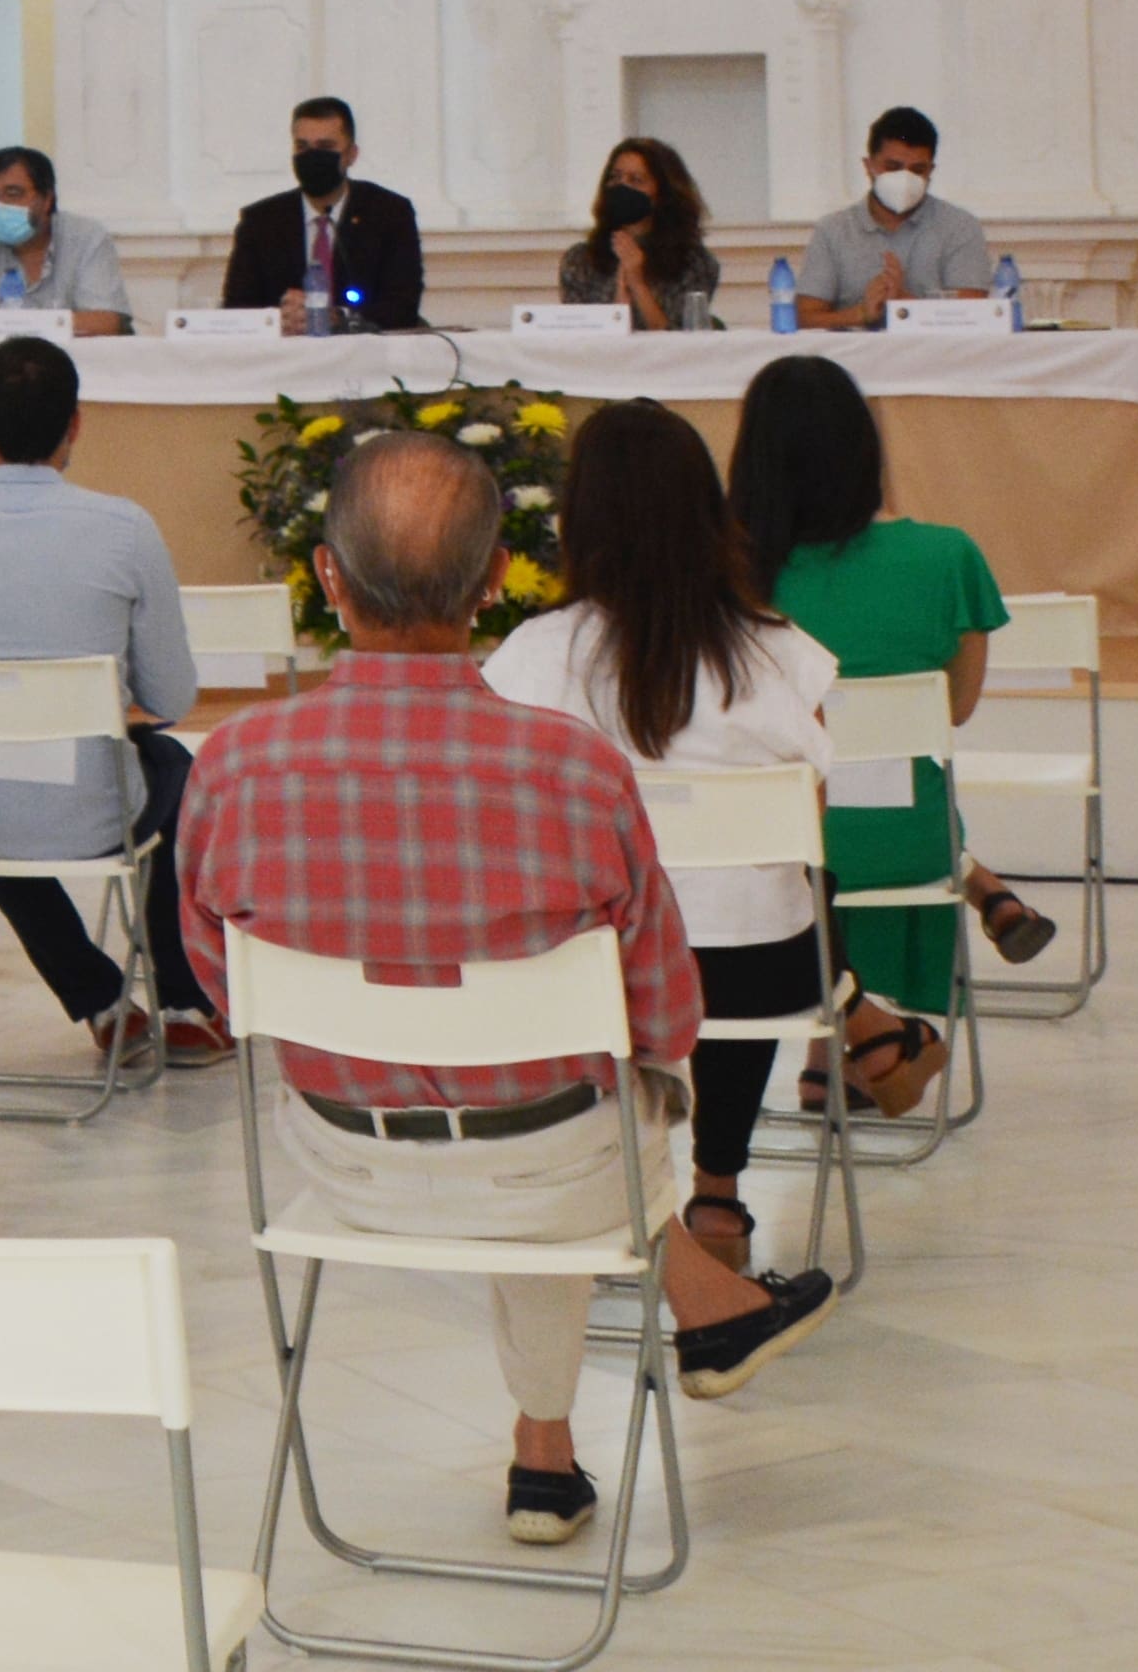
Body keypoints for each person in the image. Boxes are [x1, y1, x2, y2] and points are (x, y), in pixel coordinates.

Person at [182, 430, 810, 1554]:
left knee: (562, 1114)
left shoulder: (231, 764)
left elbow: (221, 995)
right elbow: (666, 1014)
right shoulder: (575, 768)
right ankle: (572, 1422)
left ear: (327, 579)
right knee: (578, 1111)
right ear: (490, 585)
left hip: (343, 1161)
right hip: (557, 1169)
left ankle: (550, 1450)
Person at [487, 399, 850, 1344]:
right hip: (756, 970)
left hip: (594, 972)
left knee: (623, 951)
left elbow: (508, 823)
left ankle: (616, 1193)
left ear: (577, 520)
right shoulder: (778, 651)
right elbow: (811, 820)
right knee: (748, 916)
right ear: (709, 510)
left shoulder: (533, 658)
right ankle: (718, 1191)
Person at [0, 333, 214, 1055]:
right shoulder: (125, 528)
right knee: (179, 769)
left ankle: (98, 1000)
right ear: (76, 423)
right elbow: (173, 695)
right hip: (98, 816)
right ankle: (184, 1001)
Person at [727, 353, 1055, 1093]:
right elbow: (956, 710)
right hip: (909, 840)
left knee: (823, 827)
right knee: (885, 801)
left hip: (766, 845)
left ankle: (836, 1051)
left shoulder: (727, 571)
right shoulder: (946, 555)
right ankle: (852, 1052)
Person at [220, 95, 426, 336]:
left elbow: (402, 306)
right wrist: (279, 318)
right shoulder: (261, 221)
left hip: (363, 359)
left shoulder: (389, 213)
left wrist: (337, 317)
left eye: (325, 147)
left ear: (351, 155)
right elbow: (236, 309)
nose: (312, 157)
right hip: (283, 360)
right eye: (302, 147)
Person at [787, 108, 990, 329]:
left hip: (936, 358)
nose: (904, 179)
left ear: (930, 171)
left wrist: (905, 307)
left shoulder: (959, 227)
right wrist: (861, 313)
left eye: (917, 170)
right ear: (869, 166)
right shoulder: (833, 230)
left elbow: (974, 317)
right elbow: (803, 318)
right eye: (893, 167)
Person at [0, 146, 133, 333]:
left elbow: (107, 321)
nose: (1, 206)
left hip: (67, 361)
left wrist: (9, 326)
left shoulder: (86, 237)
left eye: (13, 194)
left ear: (47, 199)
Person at [554, 136, 724, 330]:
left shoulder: (694, 262)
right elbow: (579, 337)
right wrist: (620, 287)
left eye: (636, 180)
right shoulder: (580, 260)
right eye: (615, 177)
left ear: (662, 194)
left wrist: (636, 281)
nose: (622, 187)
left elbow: (677, 340)